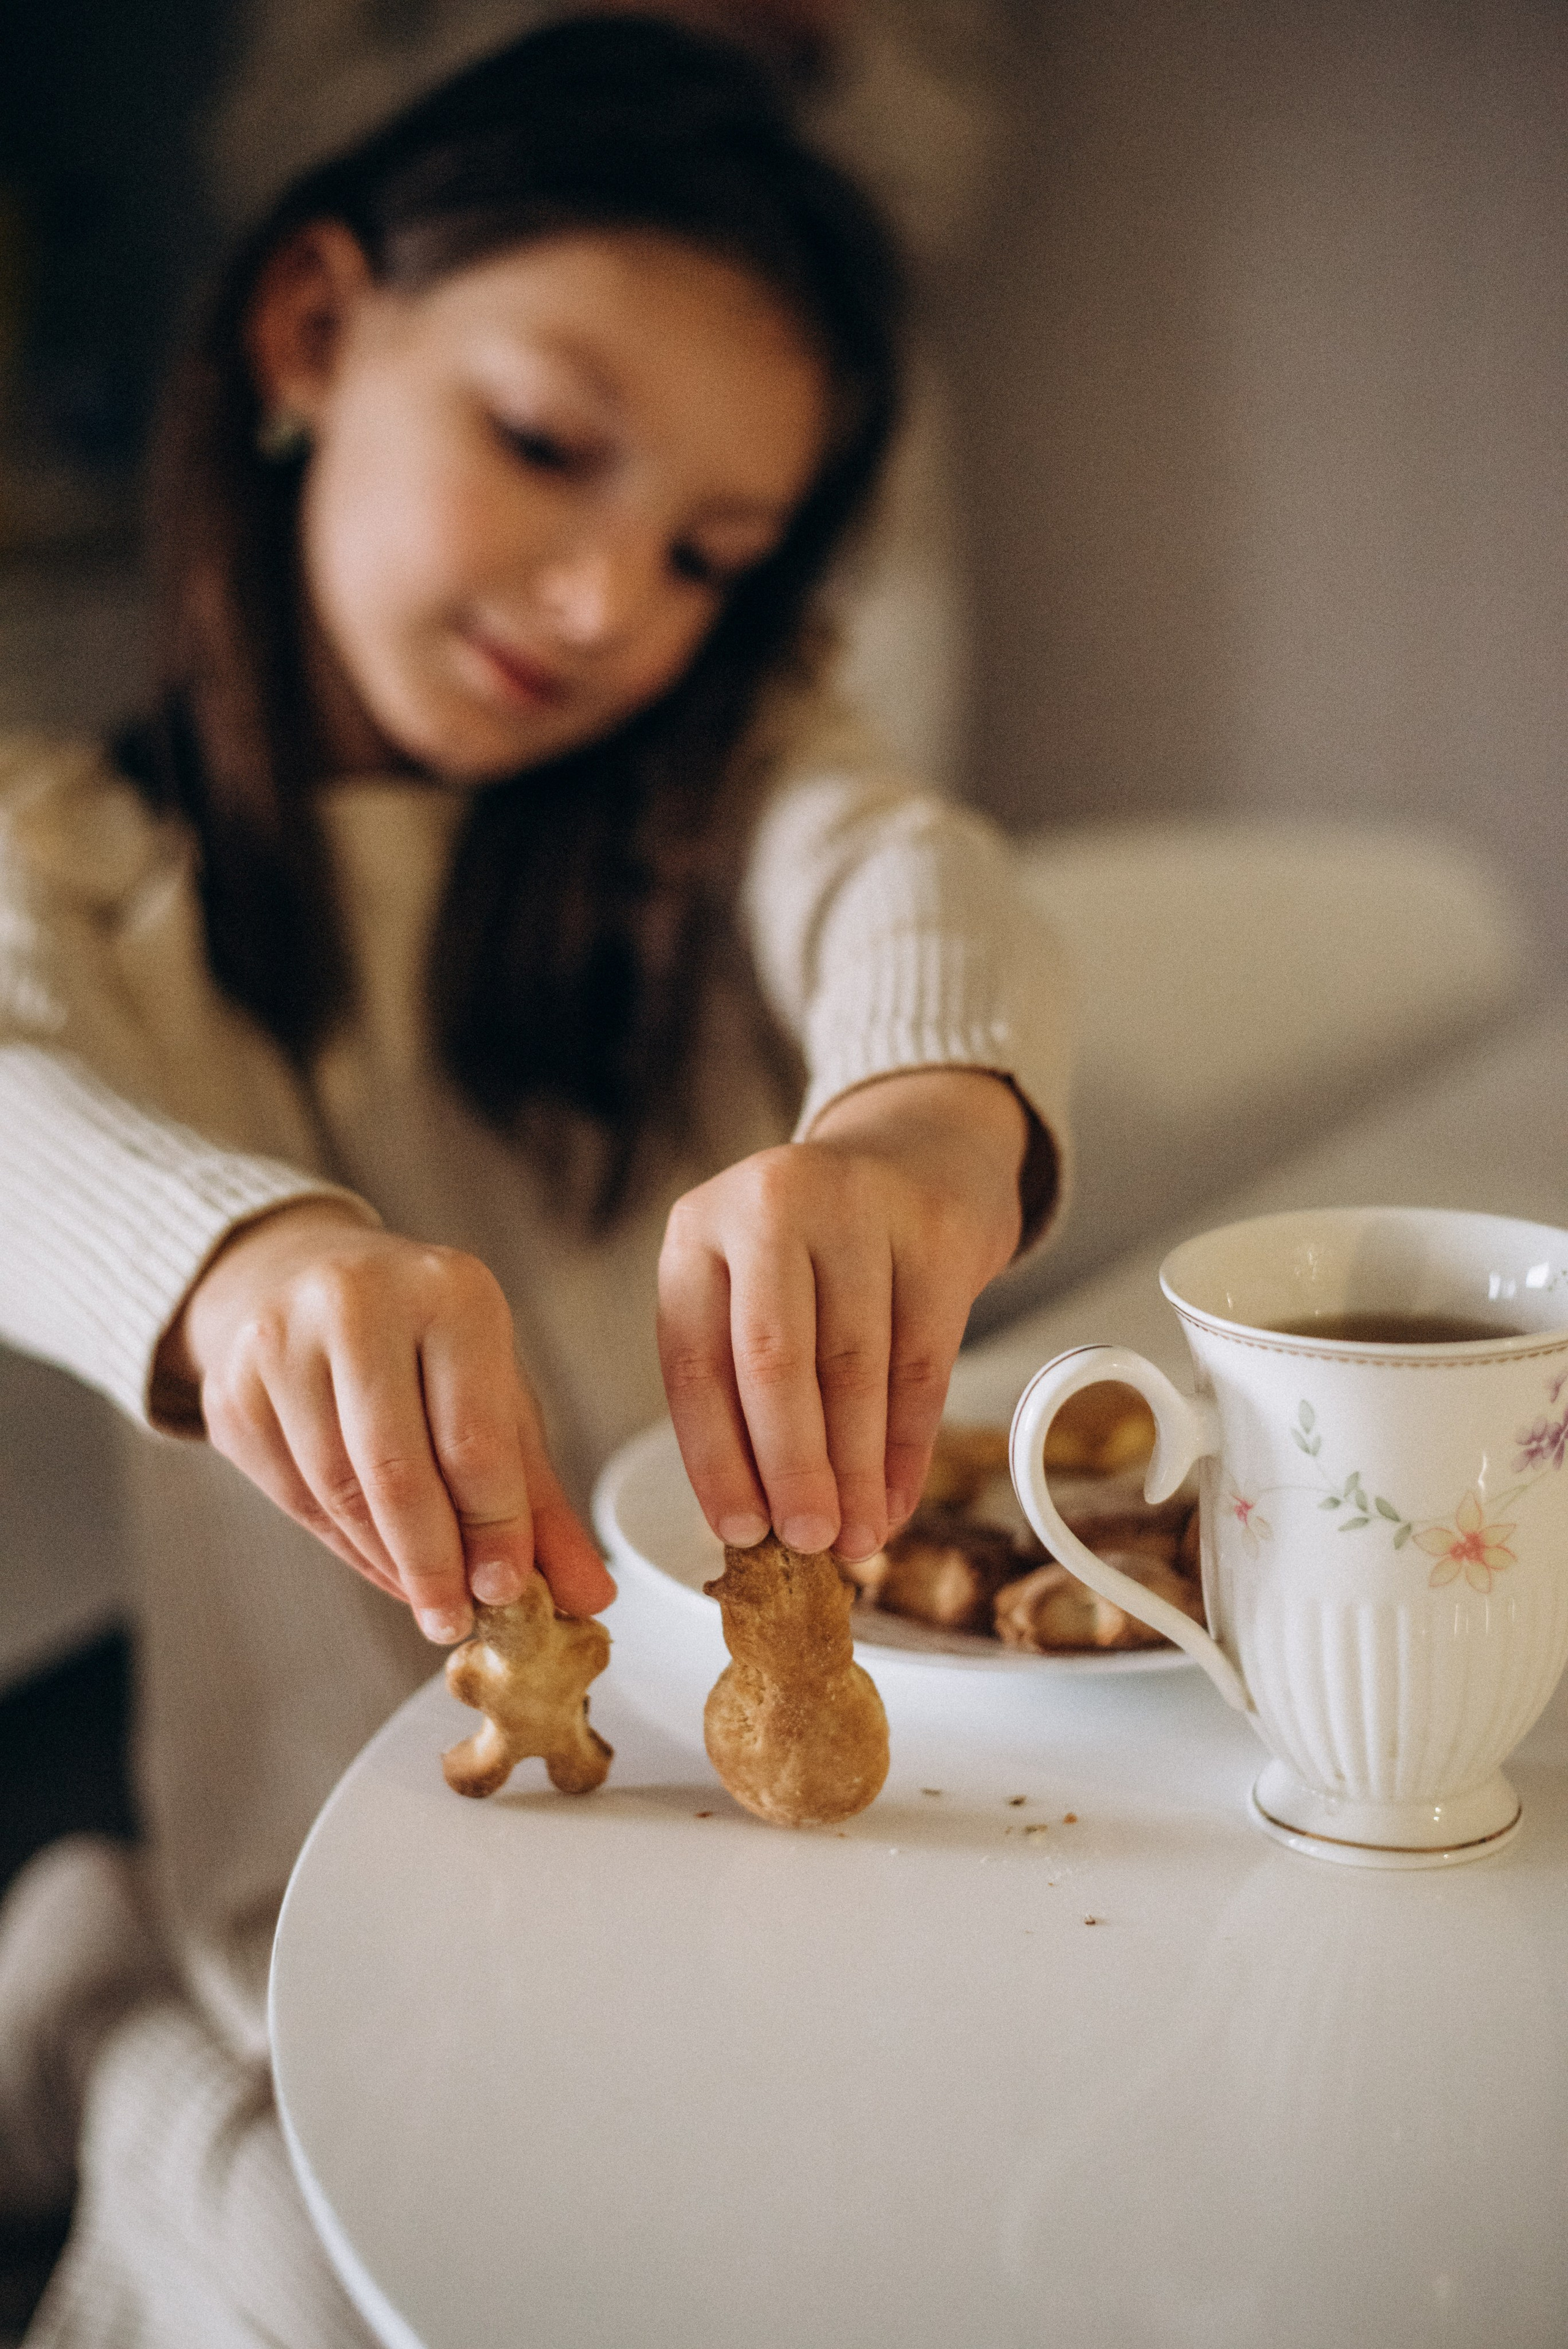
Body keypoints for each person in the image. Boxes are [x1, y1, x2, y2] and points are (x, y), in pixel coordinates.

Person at [0, 16, 1069, 2343]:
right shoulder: (70, 861)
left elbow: (917, 879)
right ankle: (104, 2022)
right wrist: (237, 1259)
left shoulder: (733, 789)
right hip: (334, 1914)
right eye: (544, 444)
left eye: (710, 553)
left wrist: (920, 1121)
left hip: (747, 1850)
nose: (607, 606)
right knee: (325, 2287)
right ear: (310, 334)